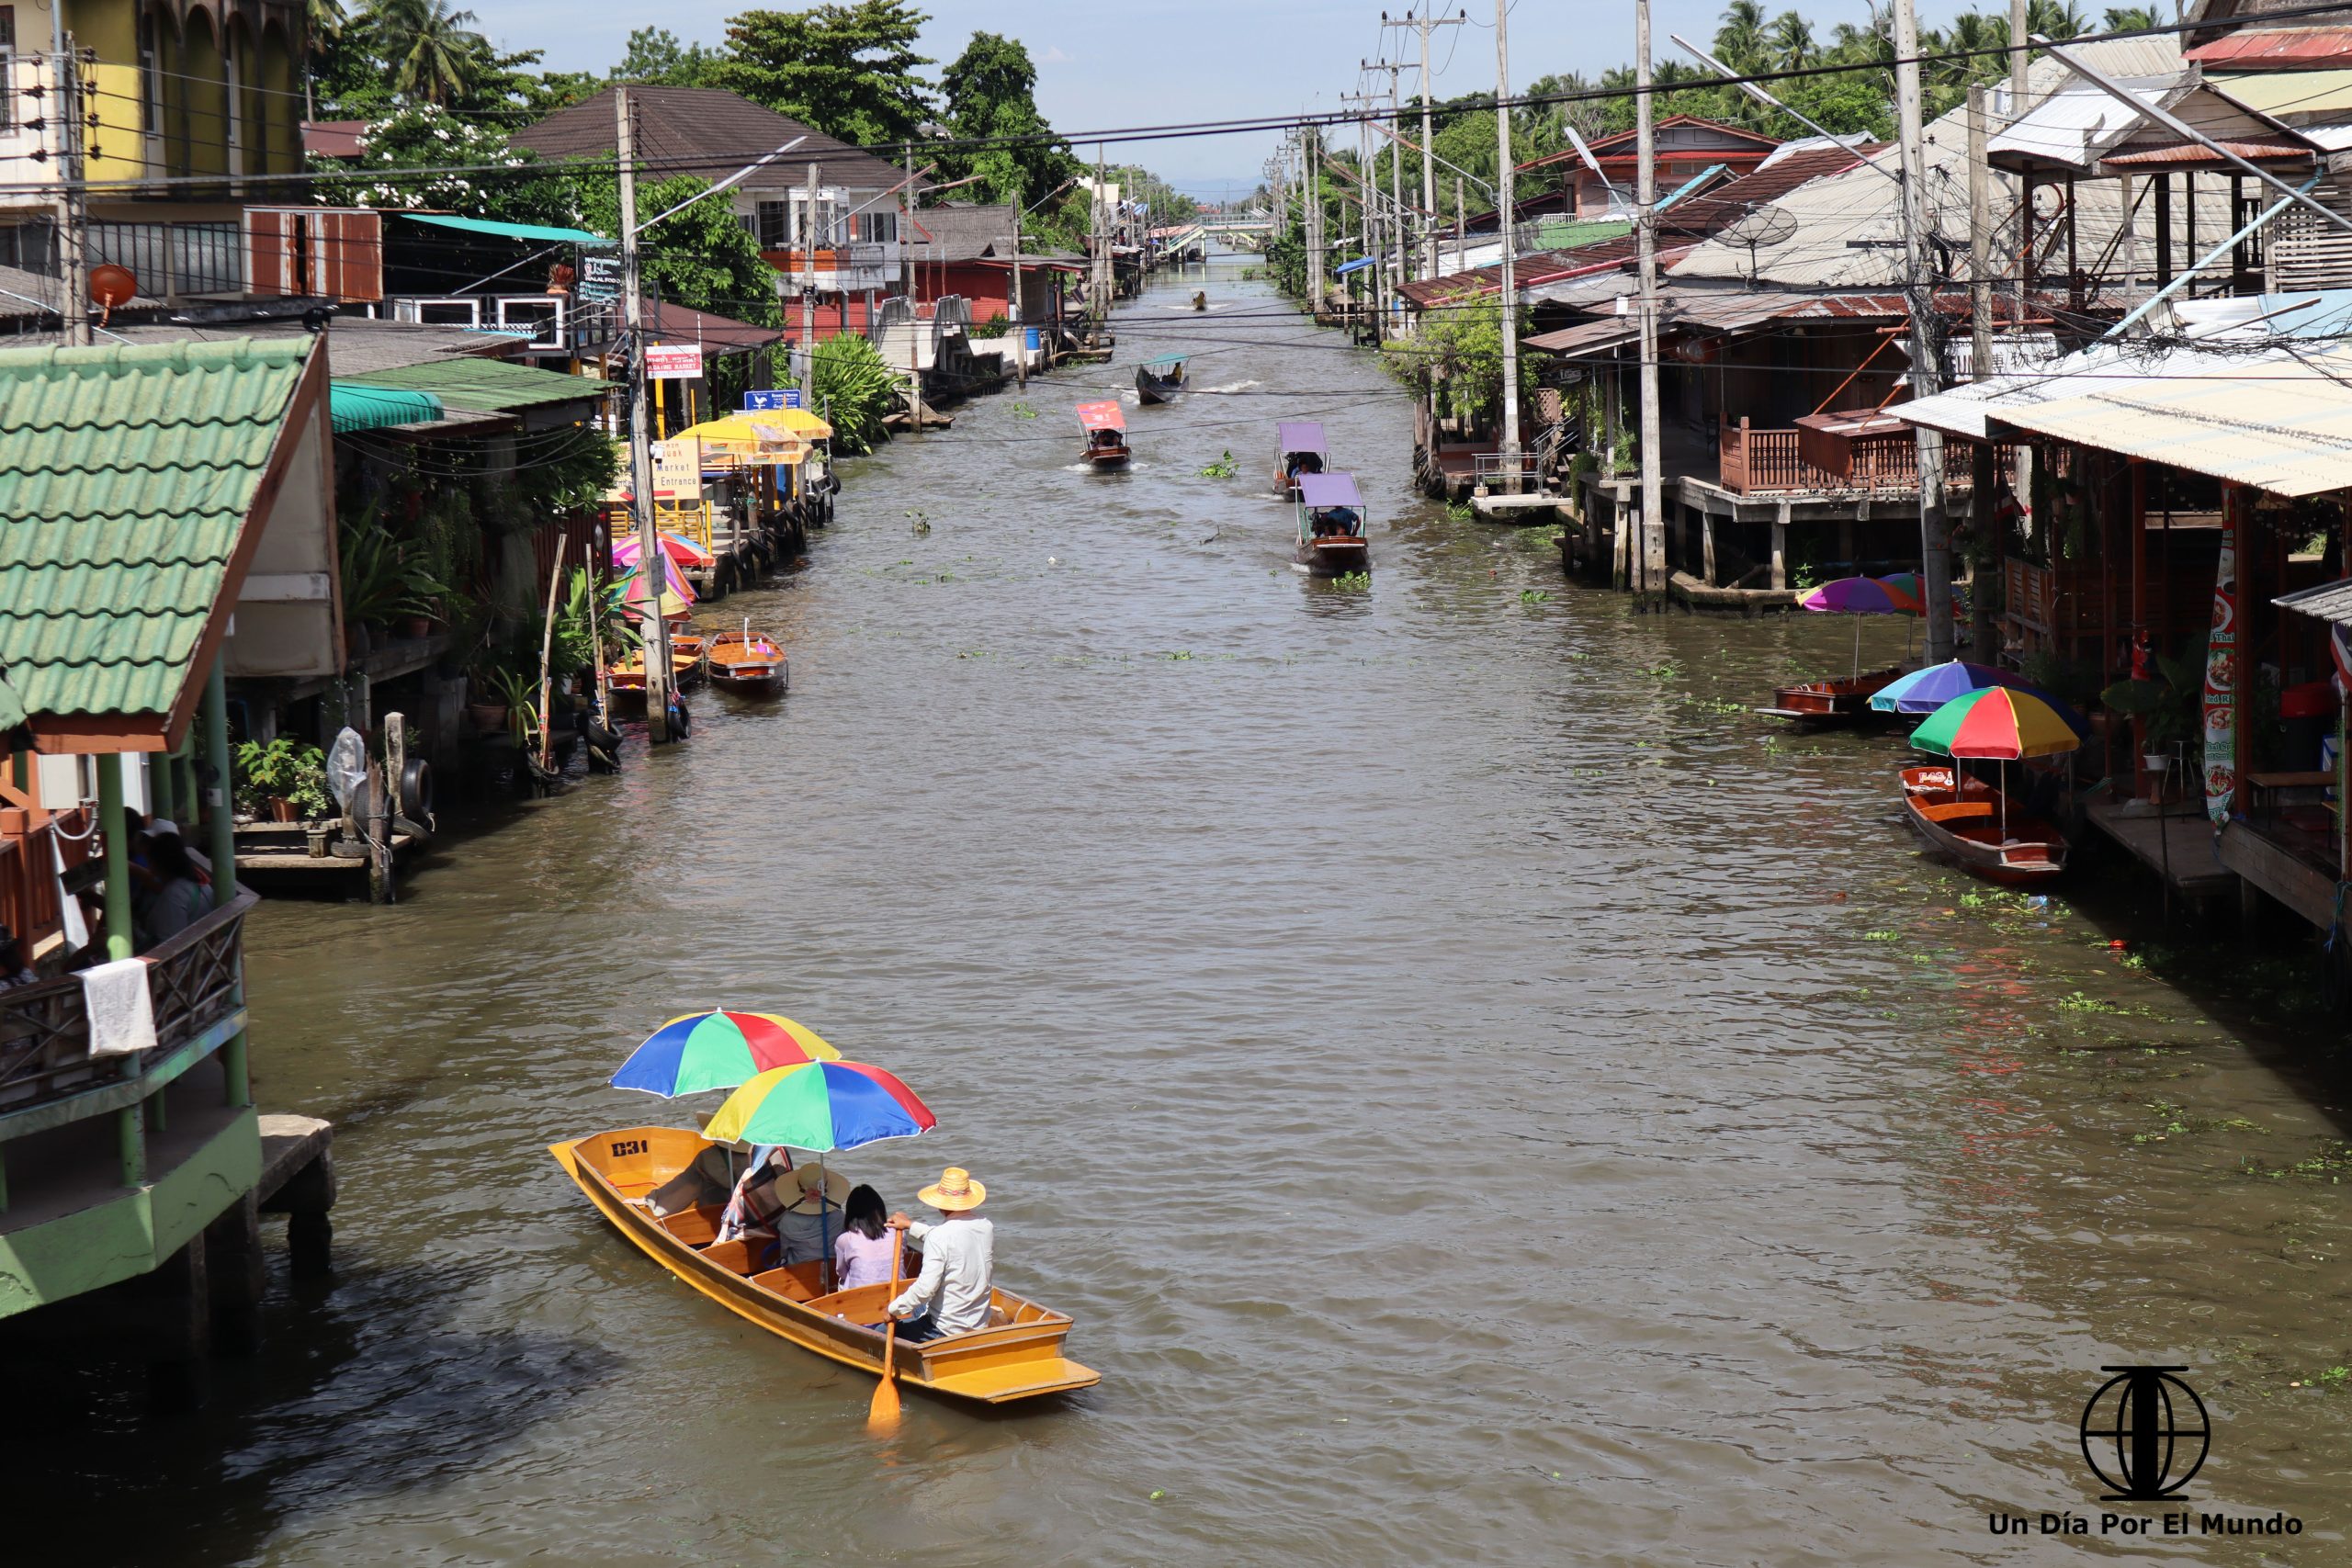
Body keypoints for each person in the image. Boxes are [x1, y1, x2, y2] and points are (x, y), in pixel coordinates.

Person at [886, 1167, 994, 1342]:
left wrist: (893, 1310)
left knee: (881, 1331)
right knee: (918, 1307)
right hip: (978, 1324)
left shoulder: (940, 1236)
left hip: (944, 1330)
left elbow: (924, 1290)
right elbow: (946, 1237)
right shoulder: (985, 1226)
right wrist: (909, 1224)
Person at [138, 829, 211, 946]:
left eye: (149, 861)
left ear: (158, 863)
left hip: (185, 959)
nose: (149, 868)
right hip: (201, 953)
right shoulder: (200, 883)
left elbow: (168, 945)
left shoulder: (174, 895)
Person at [773, 1163, 848, 1269]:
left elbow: (784, 1251)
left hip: (800, 1269)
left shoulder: (787, 1221)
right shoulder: (839, 1216)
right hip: (832, 1269)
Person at [831, 1184, 901, 1292]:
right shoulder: (898, 1232)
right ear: (880, 1210)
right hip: (898, 1295)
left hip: (861, 1299)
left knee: (843, 1281)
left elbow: (841, 1272)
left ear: (850, 1213)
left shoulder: (845, 1239)